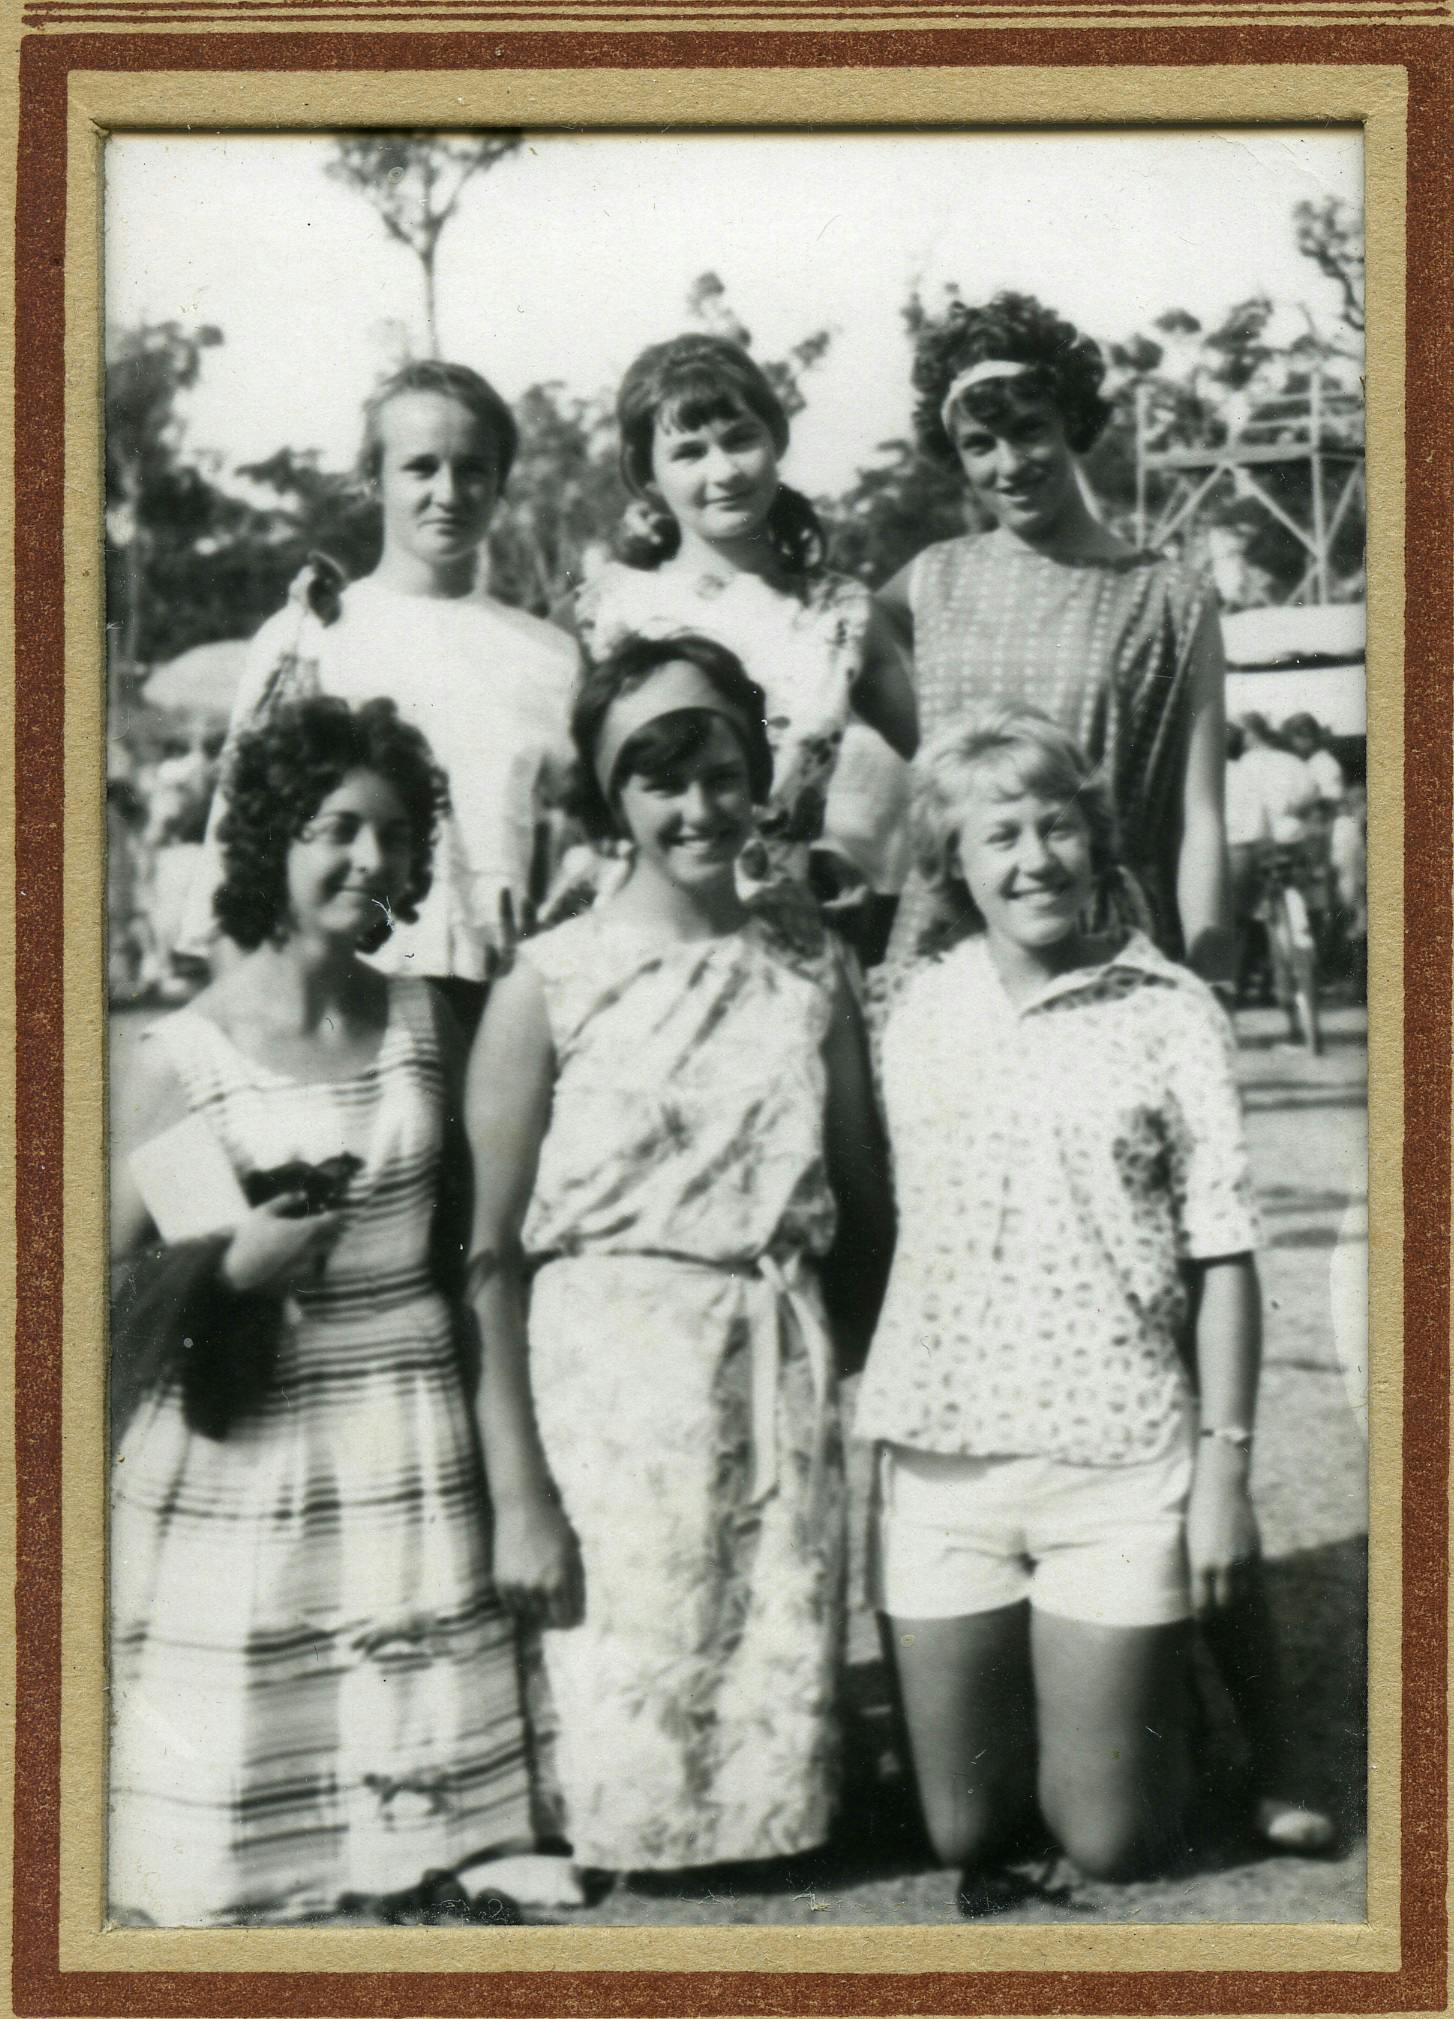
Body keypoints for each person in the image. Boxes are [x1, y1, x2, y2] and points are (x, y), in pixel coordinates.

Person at [856, 708, 1313, 1908]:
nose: (1032, 860)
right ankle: (1115, 1698)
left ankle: (1186, 1718)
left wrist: (1221, 1474)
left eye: (1055, 826)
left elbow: (1224, 1257)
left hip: (1116, 1457)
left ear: (1095, 837)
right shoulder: (905, 1006)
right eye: (996, 834)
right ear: (951, 862)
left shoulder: (1168, 1011)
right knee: (963, 1829)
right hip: (942, 1454)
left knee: (1109, 1840)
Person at [109, 697, 550, 1926]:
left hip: (410, 1425)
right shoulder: (183, 1057)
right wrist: (233, 1264)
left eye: (398, 835)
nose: (372, 860)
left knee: (422, 1829)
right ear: (266, 844)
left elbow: (479, 1250)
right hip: (255, 1451)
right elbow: (107, 1296)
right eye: (336, 828)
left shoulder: (424, 1020)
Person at [463, 633, 891, 1876]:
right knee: (629, 1772)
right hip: (611, 1395)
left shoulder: (812, 962)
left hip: (774, 1365)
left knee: (777, 1782)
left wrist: (827, 1366)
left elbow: (861, 1201)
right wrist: (518, 1494)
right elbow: (486, 1252)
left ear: (758, 775)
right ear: (612, 793)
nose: (696, 808)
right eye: (659, 780)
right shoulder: (549, 981)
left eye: (720, 773)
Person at [181, 359, 579, 1026]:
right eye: (421, 467)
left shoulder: (549, 656)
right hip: (337, 1001)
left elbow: (585, 846)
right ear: (375, 479)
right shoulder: (306, 637)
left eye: (473, 468)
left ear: (500, 483)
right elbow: (231, 857)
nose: (448, 492)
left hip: (498, 1005)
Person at [879, 293, 1232, 981]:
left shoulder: (1171, 596)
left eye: (1028, 429)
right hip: (949, 946)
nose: (1009, 464)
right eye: (980, 444)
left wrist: (1211, 981)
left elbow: (1201, 819)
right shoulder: (933, 579)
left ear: (1069, 418)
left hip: (1104, 942)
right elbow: (831, 637)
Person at [565, 333, 916, 917]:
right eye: (689, 453)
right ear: (647, 474)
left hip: (790, 935)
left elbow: (953, 775)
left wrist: (839, 855)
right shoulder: (603, 610)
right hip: (641, 933)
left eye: (739, 439)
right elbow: (568, 806)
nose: (724, 471)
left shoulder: (842, 612)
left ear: (775, 440)